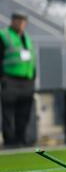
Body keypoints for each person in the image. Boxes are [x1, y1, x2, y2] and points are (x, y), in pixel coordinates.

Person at [0, 13, 36, 148]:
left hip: (26, 80)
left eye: (23, 21)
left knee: (24, 112)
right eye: (19, 20)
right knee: (8, 113)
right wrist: (2, 77)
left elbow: (31, 59)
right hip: (10, 79)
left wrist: (33, 77)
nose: (21, 24)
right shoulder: (4, 35)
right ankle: (10, 141)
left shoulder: (26, 37)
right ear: (13, 21)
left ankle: (21, 139)